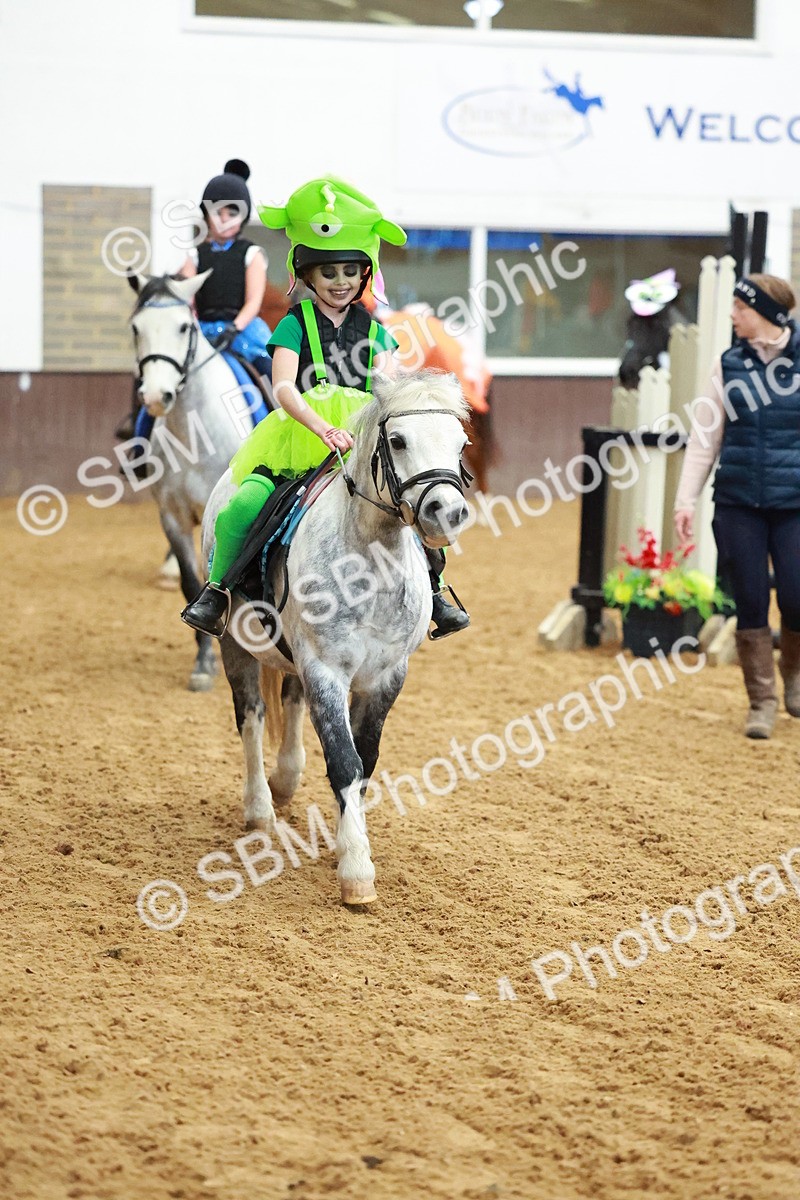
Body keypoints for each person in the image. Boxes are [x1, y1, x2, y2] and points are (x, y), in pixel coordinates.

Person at [181, 176, 470, 640]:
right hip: (297, 438)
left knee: (414, 501)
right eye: (328, 273)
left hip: (362, 440)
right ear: (308, 276)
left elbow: (388, 386)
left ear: (364, 275)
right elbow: (283, 389)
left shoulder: (376, 331)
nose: (339, 282)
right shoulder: (295, 324)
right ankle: (217, 591)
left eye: (349, 272)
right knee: (247, 502)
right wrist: (320, 428)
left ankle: (434, 591)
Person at [674, 273, 800, 739]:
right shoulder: (727, 364)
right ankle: (762, 701)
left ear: (765, 311)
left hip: (795, 503)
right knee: (748, 596)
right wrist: (684, 501)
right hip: (738, 500)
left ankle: (795, 678)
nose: (732, 315)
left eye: (740, 308)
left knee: (795, 594)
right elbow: (705, 439)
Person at [125, 160, 271, 464]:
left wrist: (236, 326)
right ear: (207, 215)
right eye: (217, 212)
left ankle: (273, 438)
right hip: (202, 331)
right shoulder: (195, 254)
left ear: (242, 218)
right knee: (153, 374)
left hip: (241, 332)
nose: (223, 219)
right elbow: (184, 292)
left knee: (268, 377)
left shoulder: (251, 254)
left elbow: (254, 300)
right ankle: (139, 444)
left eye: (232, 213)